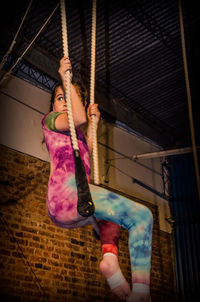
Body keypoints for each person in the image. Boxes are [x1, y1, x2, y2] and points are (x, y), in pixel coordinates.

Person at [42, 56, 153, 302]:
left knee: (111, 216)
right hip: (66, 197)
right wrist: (65, 78)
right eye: (60, 99)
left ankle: (110, 262)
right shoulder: (50, 122)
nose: (65, 103)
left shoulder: (77, 136)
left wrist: (94, 122)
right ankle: (142, 295)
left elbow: (87, 146)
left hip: (74, 206)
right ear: (52, 106)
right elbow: (77, 118)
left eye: (68, 99)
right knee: (142, 216)